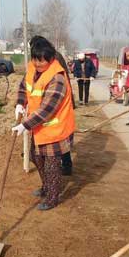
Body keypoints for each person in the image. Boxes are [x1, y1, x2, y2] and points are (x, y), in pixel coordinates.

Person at [13, 36, 75, 210]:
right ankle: (46, 187)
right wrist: (19, 103)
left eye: (42, 62)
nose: (38, 64)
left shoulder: (58, 78)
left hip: (55, 127)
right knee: (34, 156)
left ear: (51, 59)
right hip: (39, 126)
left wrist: (24, 125)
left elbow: (47, 110)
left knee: (51, 165)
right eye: (35, 60)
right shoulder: (32, 67)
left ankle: (53, 197)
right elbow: (24, 87)